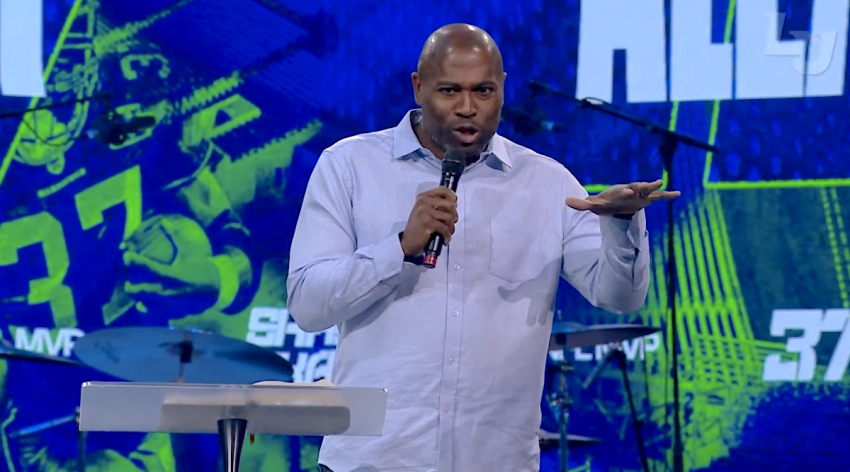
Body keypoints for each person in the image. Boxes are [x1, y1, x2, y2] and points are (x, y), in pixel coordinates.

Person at [286, 23, 679, 472]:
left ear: (503, 90)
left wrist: (623, 223)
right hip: (373, 461)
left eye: (483, 91)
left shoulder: (547, 183)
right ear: (418, 87)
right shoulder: (350, 166)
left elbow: (620, 298)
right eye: (450, 91)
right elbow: (308, 305)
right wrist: (398, 249)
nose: (468, 108)